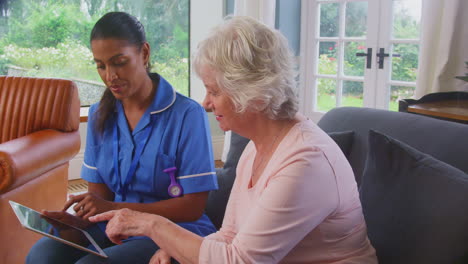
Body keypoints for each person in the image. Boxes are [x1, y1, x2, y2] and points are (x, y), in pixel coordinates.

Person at [90, 16, 378, 263]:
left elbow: (239, 260)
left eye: (214, 92)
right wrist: (174, 248)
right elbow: (230, 236)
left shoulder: (305, 162)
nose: (205, 103)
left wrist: (153, 226)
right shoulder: (257, 147)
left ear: (251, 92)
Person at [26, 11, 218, 264]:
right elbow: (101, 197)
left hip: (170, 229)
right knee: (41, 256)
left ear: (145, 54)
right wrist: (79, 221)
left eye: (119, 62)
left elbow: (192, 208)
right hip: (114, 226)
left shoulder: (187, 115)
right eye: (101, 65)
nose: (110, 76)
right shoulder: (98, 115)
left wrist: (116, 209)